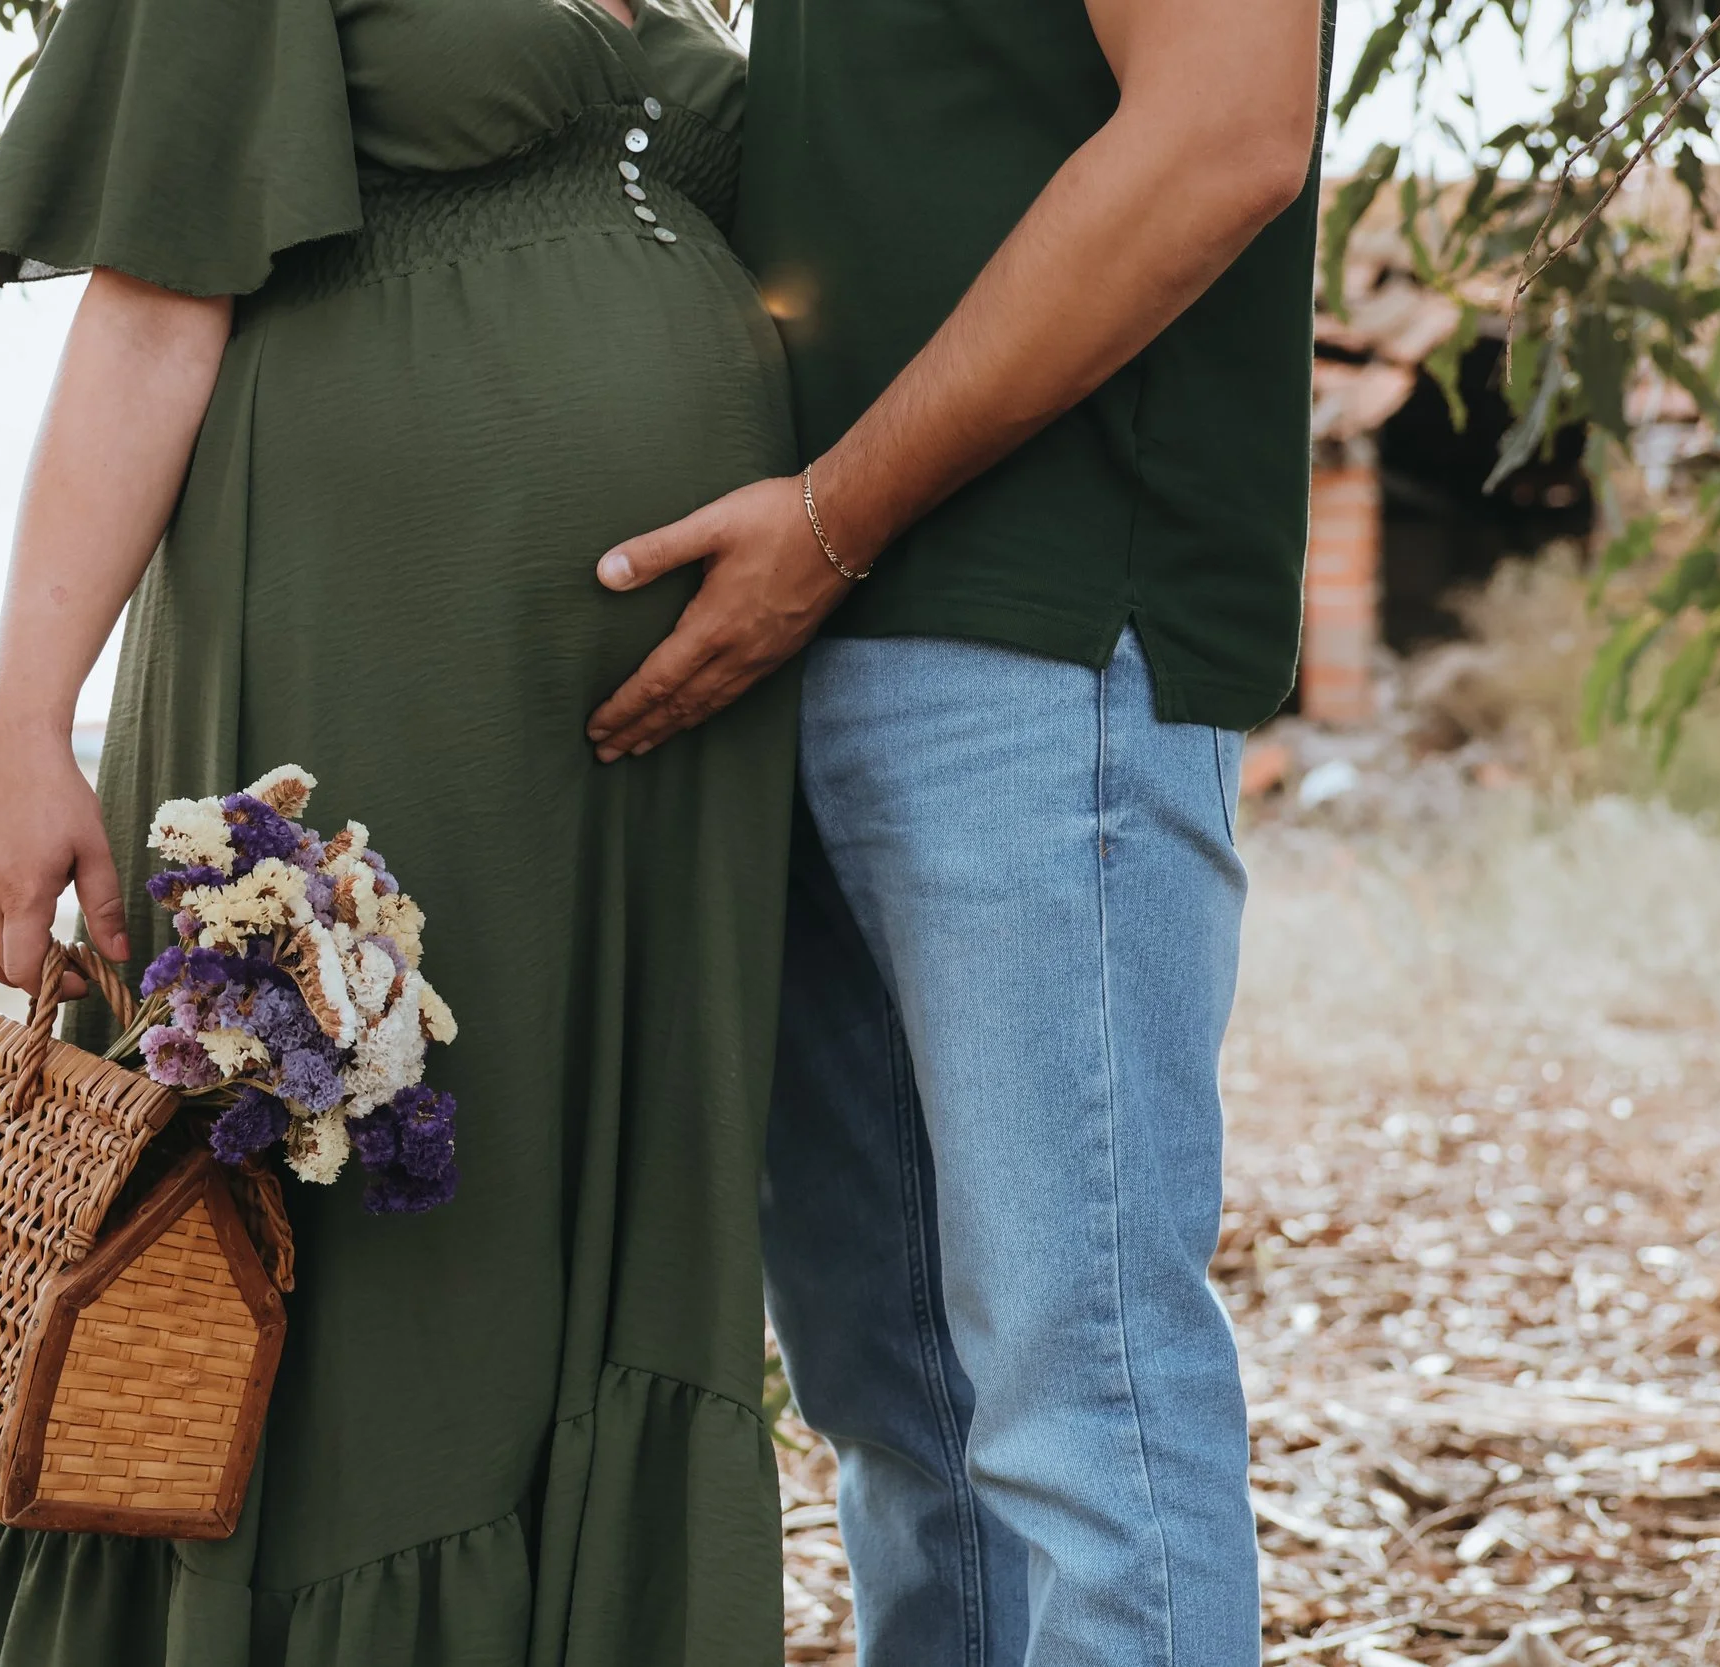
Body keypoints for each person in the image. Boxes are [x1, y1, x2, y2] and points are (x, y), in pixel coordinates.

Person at [0, 0, 799, 1660]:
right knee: (374, 1250)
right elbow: (148, 306)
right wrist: (23, 724)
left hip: (661, 762)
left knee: (591, 1217)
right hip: (367, 675)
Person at [587, 0, 1331, 1660]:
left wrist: (832, 518)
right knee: (899, 1408)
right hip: (799, 638)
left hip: (1039, 640)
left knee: (1086, 1410)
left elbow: (1228, 132)